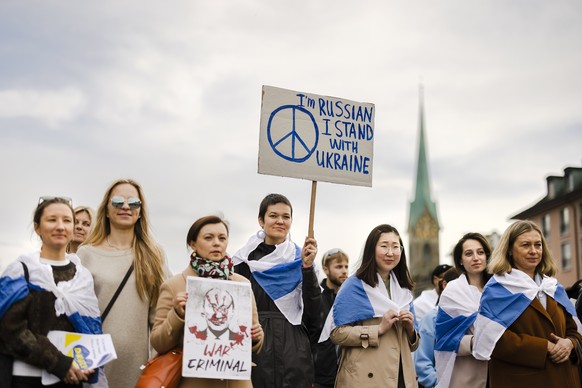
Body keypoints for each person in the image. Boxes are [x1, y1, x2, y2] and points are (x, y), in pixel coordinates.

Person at [0, 197, 103, 387]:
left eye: (66, 220)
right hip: (26, 378)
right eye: (52, 219)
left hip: (71, 379)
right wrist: (58, 363)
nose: (60, 226)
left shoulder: (83, 276)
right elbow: (10, 330)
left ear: (73, 229)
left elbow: (90, 330)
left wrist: (88, 364)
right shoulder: (21, 270)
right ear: (37, 228)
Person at [150, 215, 264, 387]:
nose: (216, 243)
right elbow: (158, 343)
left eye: (222, 238)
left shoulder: (242, 285)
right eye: (208, 238)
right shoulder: (174, 285)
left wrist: (257, 337)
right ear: (193, 244)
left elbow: (253, 338)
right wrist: (177, 315)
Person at [77, 179, 168, 388]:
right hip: (92, 364)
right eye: (118, 201)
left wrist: (156, 364)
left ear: (140, 211)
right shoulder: (85, 253)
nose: (126, 207)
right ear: (107, 210)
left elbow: (160, 317)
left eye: (133, 202)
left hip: (137, 369)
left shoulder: (154, 255)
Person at [472, 220, 582, 387]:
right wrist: (545, 347)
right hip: (523, 380)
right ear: (509, 250)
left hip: (565, 378)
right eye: (525, 245)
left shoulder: (552, 287)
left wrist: (570, 343)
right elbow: (492, 340)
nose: (534, 251)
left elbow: (573, 330)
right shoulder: (498, 290)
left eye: (538, 245)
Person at [233, 193, 321, 388]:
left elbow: (314, 313)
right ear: (260, 220)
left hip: (294, 352)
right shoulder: (243, 261)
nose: (280, 221)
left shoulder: (301, 258)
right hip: (255, 348)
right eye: (273, 215)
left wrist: (307, 268)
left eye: (286, 216)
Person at [329, 224, 420, 388]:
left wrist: (410, 328)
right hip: (365, 378)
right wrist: (376, 330)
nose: (390, 253)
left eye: (395, 247)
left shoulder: (403, 290)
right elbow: (336, 333)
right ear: (371, 249)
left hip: (401, 378)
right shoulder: (354, 286)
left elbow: (414, 343)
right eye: (384, 246)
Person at [434, 232, 491, 387]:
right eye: (468, 253)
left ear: (487, 256)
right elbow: (443, 339)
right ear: (460, 260)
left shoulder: (499, 288)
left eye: (480, 252)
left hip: (501, 371)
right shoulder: (452, 292)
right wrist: (473, 342)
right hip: (468, 375)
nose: (476, 258)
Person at [415, 268, 460, 388]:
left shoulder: (475, 316)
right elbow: (422, 362)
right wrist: (439, 384)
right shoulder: (432, 318)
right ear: (445, 285)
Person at [311, 248, 349, 388]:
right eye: (339, 267)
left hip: (346, 375)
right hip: (320, 377)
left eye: (346, 266)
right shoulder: (316, 297)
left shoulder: (350, 298)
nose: (344, 271)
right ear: (326, 270)